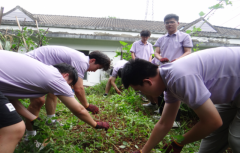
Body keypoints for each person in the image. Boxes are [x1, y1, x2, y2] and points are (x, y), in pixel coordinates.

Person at [121, 47, 240, 153]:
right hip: (233, 91)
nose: (142, 93)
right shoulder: (167, 79)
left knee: (236, 140)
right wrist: (143, 151)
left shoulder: (179, 77)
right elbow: (164, 123)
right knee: (212, 139)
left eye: (139, 90)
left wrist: (180, 141)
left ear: (147, 82)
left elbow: (213, 121)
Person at [0, 50, 109, 153]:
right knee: (14, 128)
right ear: (65, 75)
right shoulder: (56, 77)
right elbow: (79, 110)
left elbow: (9, 99)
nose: (67, 87)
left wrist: (32, 117)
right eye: (68, 84)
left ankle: (30, 137)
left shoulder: (41, 72)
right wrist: (95, 124)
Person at [24, 46, 110, 138]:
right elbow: (78, 89)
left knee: (53, 91)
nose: (94, 71)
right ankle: (30, 137)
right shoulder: (82, 62)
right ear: (92, 60)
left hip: (39, 64)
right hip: (30, 63)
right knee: (38, 101)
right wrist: (87, 105)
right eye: (98, 67)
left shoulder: (79, 58)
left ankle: (51, 121)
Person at [145, 14, 193, 126]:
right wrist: (161, 58)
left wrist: (177, 60)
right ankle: (162, 115)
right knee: (162, 92)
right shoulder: (161, 38)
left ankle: (176, 120)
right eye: (167, 23)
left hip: (178, 68)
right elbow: (156, 52)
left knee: (176, 92)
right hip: (164, 68)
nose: (169, 24)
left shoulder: (184, 37)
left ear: (178, 23)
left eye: (172, 22)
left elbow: (188, 52)